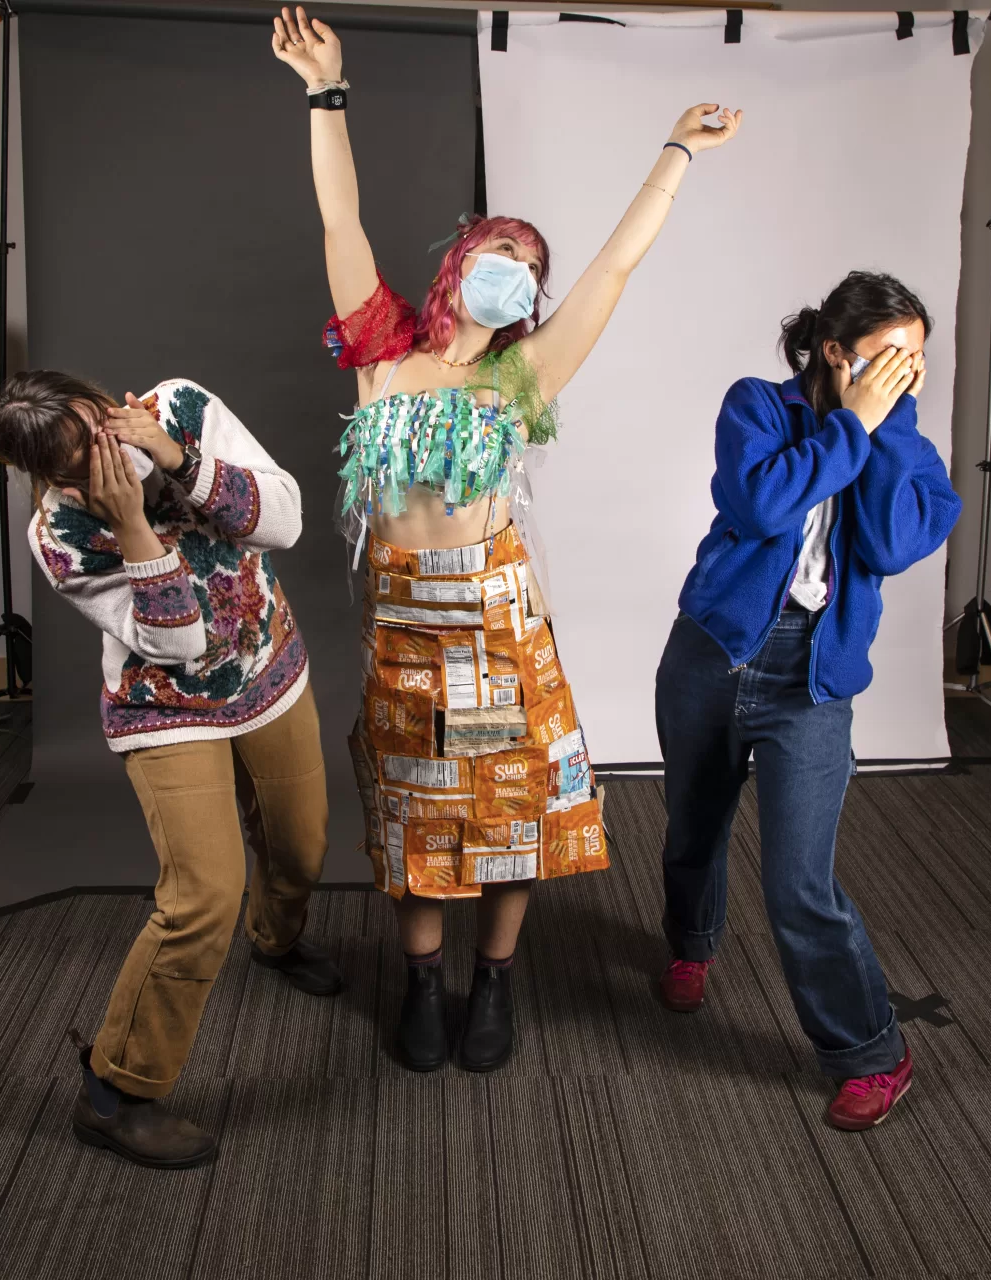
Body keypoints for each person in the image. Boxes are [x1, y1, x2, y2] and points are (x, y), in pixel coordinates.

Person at [271, 5, 738, 1073]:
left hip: (490, 614)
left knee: (507, 807)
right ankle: (423, 983)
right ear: (458, 261)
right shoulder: (382, 349)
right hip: (401, 618)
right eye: (497, 248)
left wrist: (673, 153)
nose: (512, 267)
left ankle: (495, 978)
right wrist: (323, 92)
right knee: (416, 812)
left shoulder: (522, 375)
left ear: (528, 293)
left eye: (527, 263)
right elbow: (338, 222)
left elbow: (613, 270)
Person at [0, 370, 338, 1169]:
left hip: (269, 671)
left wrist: (176, 456)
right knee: (203, 894)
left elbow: (286, 522)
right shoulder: (61, 534)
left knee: (300, 847)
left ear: (106, 399)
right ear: (53, 477)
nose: (106, 450)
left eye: (101, 423)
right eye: (80, 457)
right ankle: (115, 1091)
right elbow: (179, 645)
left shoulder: (181, 407)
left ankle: (275, 940)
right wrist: (133, 524)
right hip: (163, 710)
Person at [654, 271, 962, 1130]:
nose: (907, 371)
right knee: (692, 827)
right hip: (711, 654)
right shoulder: (756, 405)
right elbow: (757, 505)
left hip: (811, 680)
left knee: (798, 881)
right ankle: (690, 945)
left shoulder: (908, 446)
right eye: (889, 355)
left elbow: (900, 542)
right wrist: (849, 423)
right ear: (835, 351)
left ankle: (873, 1054)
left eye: (918, 359)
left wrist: (884, 425)